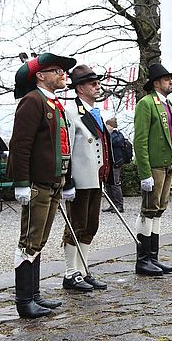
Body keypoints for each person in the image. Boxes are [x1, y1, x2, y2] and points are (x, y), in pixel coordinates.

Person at [8, 52, 76, 318]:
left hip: (53, 182)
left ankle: (34, 295)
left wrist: (66, 180)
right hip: (37, 182)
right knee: (29, 241)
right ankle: (24, 301)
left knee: (39, 241)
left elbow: (62, 146)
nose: (63, 74)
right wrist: (22, 183)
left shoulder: (52, 102)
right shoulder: (32, 101)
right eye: (57, 70)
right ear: (41, 75)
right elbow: (20, 145)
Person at [61, 64, 114, 292]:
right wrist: (67, 180)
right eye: (92, 83)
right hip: (80, 177)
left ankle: (83, 270)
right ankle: (70, 273)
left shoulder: (94, 112)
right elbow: (67, 146)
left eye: (97, 82)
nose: (97, 86)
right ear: (80, 88)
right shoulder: (71, 111)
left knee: (91, 225)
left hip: (95, 176)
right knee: (76, 225)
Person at [133, 63, 172, 276]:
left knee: (159, 210)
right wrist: (144, 173)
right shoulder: (146, 103)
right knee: (148, 209)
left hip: (168, 164)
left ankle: (153, 256)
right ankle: (143, 259)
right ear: (156, 83)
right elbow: (140, 140)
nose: (170, 82)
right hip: (154, 166)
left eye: (170, 79)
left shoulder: (169, 104)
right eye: (166, 79)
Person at [103, 118, 125, 213]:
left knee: (115, 184)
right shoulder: (110, 135)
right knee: (108, 184)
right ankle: (112, 205)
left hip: (116, 163)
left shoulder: (117, 136)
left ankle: (119, 205)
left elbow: (113, 142)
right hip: (109, 163)